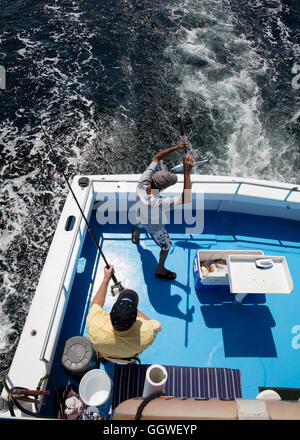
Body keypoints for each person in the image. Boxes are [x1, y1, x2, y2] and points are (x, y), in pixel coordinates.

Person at [131, 141, 194, 280]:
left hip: (140, 213)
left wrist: (177, 147)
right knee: (166, 247)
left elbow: (157, 157)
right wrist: (187, 172)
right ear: (162, 189)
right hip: (155, 227)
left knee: (139, 223)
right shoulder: (157, 202)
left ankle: (135, 235)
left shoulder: (142, 183)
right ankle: (160, 269)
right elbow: (186, 198)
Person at [87, 265, 162, 363]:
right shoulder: (146, 333)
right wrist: (133, 310)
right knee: (131, 359)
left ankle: (103, 357)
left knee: (103, 352)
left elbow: (96, 304)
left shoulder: (95, 326)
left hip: (107, 354)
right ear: (135, 318)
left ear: (110, 313)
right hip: (128, 357)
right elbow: (155, 325)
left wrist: (106, 279)